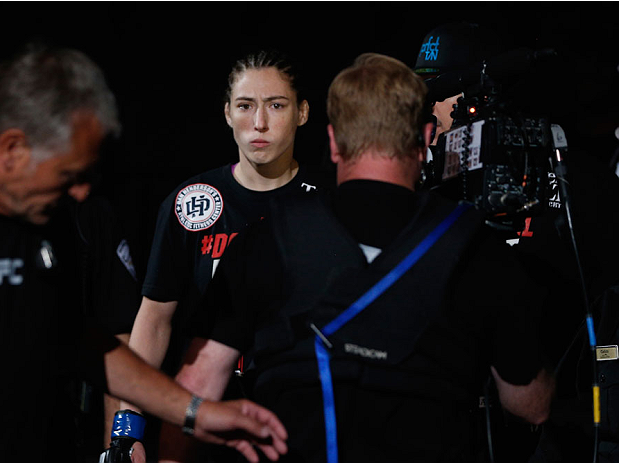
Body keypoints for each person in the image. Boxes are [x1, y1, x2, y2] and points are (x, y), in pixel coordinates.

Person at [157, 53, 555, 463]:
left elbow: (195, 387)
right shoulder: (473, 243)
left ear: (333, 141)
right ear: (424, 137)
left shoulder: (267, 237)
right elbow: (531, 404)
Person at [0, 45, 288, 463]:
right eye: (69, 175)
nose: (80, 193)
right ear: (11, 148)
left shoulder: (48, 217)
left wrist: (195, 412)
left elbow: (81, 345)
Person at [414, 22, 619, 462]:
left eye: (439, 93)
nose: (425, 109)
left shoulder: (564, 173)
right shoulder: (422, 185)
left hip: (555, 423)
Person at [117, 49, 329, 457]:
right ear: (228, 113)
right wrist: (129, 426)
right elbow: (155, 319)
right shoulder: (190, 203)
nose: (260, 123)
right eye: (246, 106)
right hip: (202, 418)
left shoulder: (330, 203)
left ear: (302, 113)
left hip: (304, 419)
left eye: (276, 105)